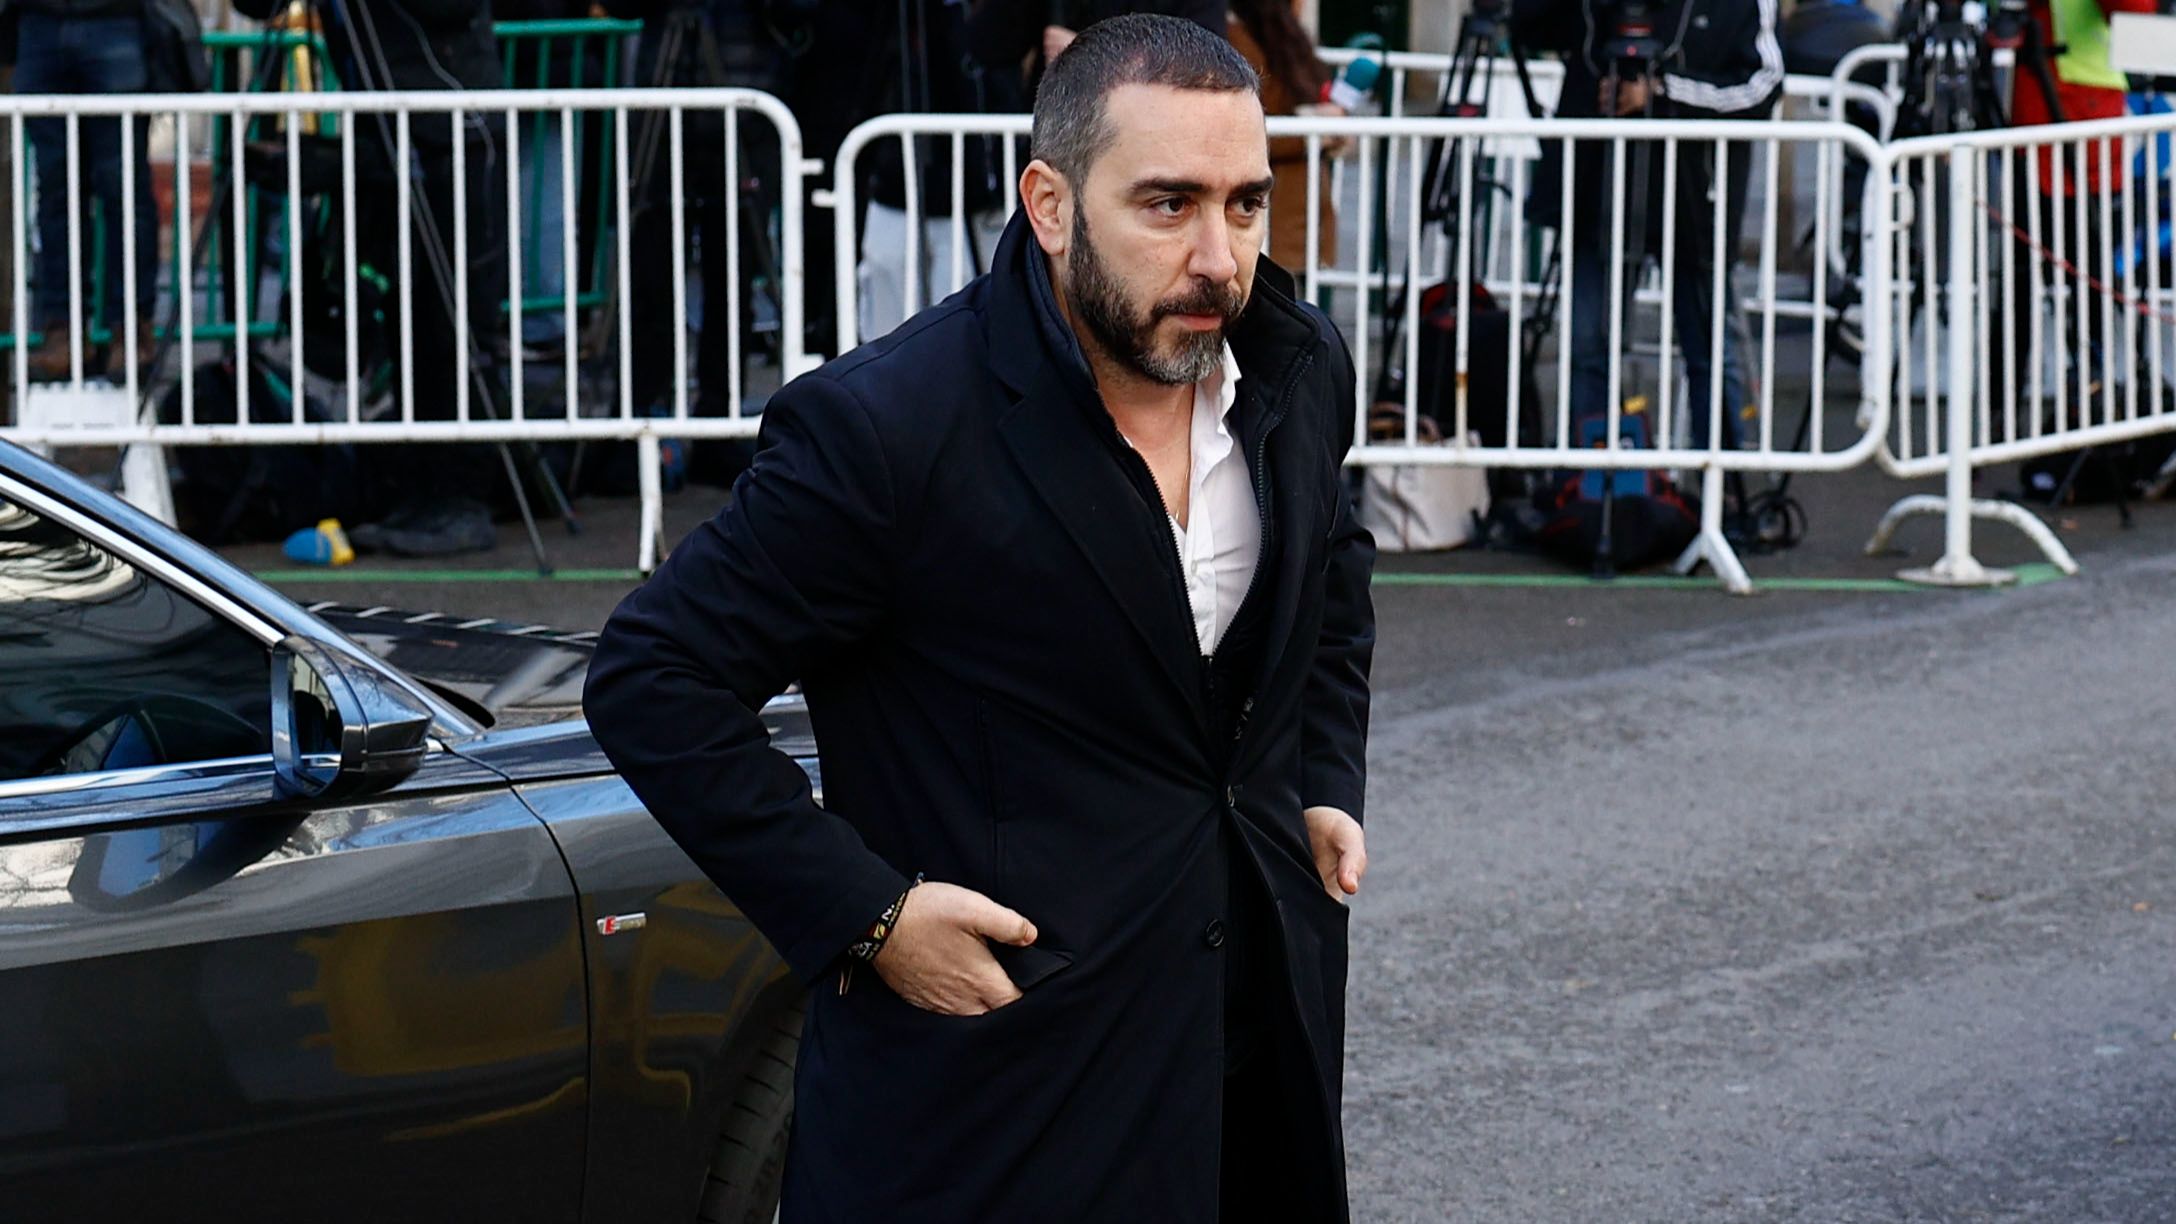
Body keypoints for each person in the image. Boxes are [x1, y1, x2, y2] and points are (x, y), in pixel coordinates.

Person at [584, 13, 1375, 1221]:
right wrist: (869, 915)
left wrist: (1318, 779)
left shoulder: (1296, 363)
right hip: (994, 1109)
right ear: (1050, 206)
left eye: (1244, 205)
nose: (1219, 258)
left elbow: (1333, 564)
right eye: (1168, 205)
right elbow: (653, 676)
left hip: (1249, 1071)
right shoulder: (890, 427)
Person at [233, 0, 511, 555]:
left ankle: (463, 495)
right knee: (407, 320)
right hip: (384, 139)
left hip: (455, 130)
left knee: (454, 321)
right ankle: (420, 488)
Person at [1514, 0, 1781, 450]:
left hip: (1695, 193)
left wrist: (1663, 90)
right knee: (1589, 345)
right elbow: (1532, 28)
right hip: (1598, 187)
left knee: (1711, 350)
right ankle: (1590, 474)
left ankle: (1721, 476)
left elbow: (1763, 85)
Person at [1994, 0, 2153, 437]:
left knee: (2089, 278)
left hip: (2080, 120)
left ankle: (2098, 405)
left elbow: (2135, 8)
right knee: (2018, 285)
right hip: (2032, 112)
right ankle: (2000, 418)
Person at [11, 0, 160, 384]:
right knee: (56, 191)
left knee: (122, 187)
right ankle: (64, 330)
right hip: (42, 22)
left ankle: (129, 330)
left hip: (112, 18)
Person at [1226, 0, 1341, 269]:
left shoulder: (1282, 35)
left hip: (1300, 207)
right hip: (1275, 217)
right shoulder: (1238, 40)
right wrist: (1313, 133)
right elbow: (1241, 132)